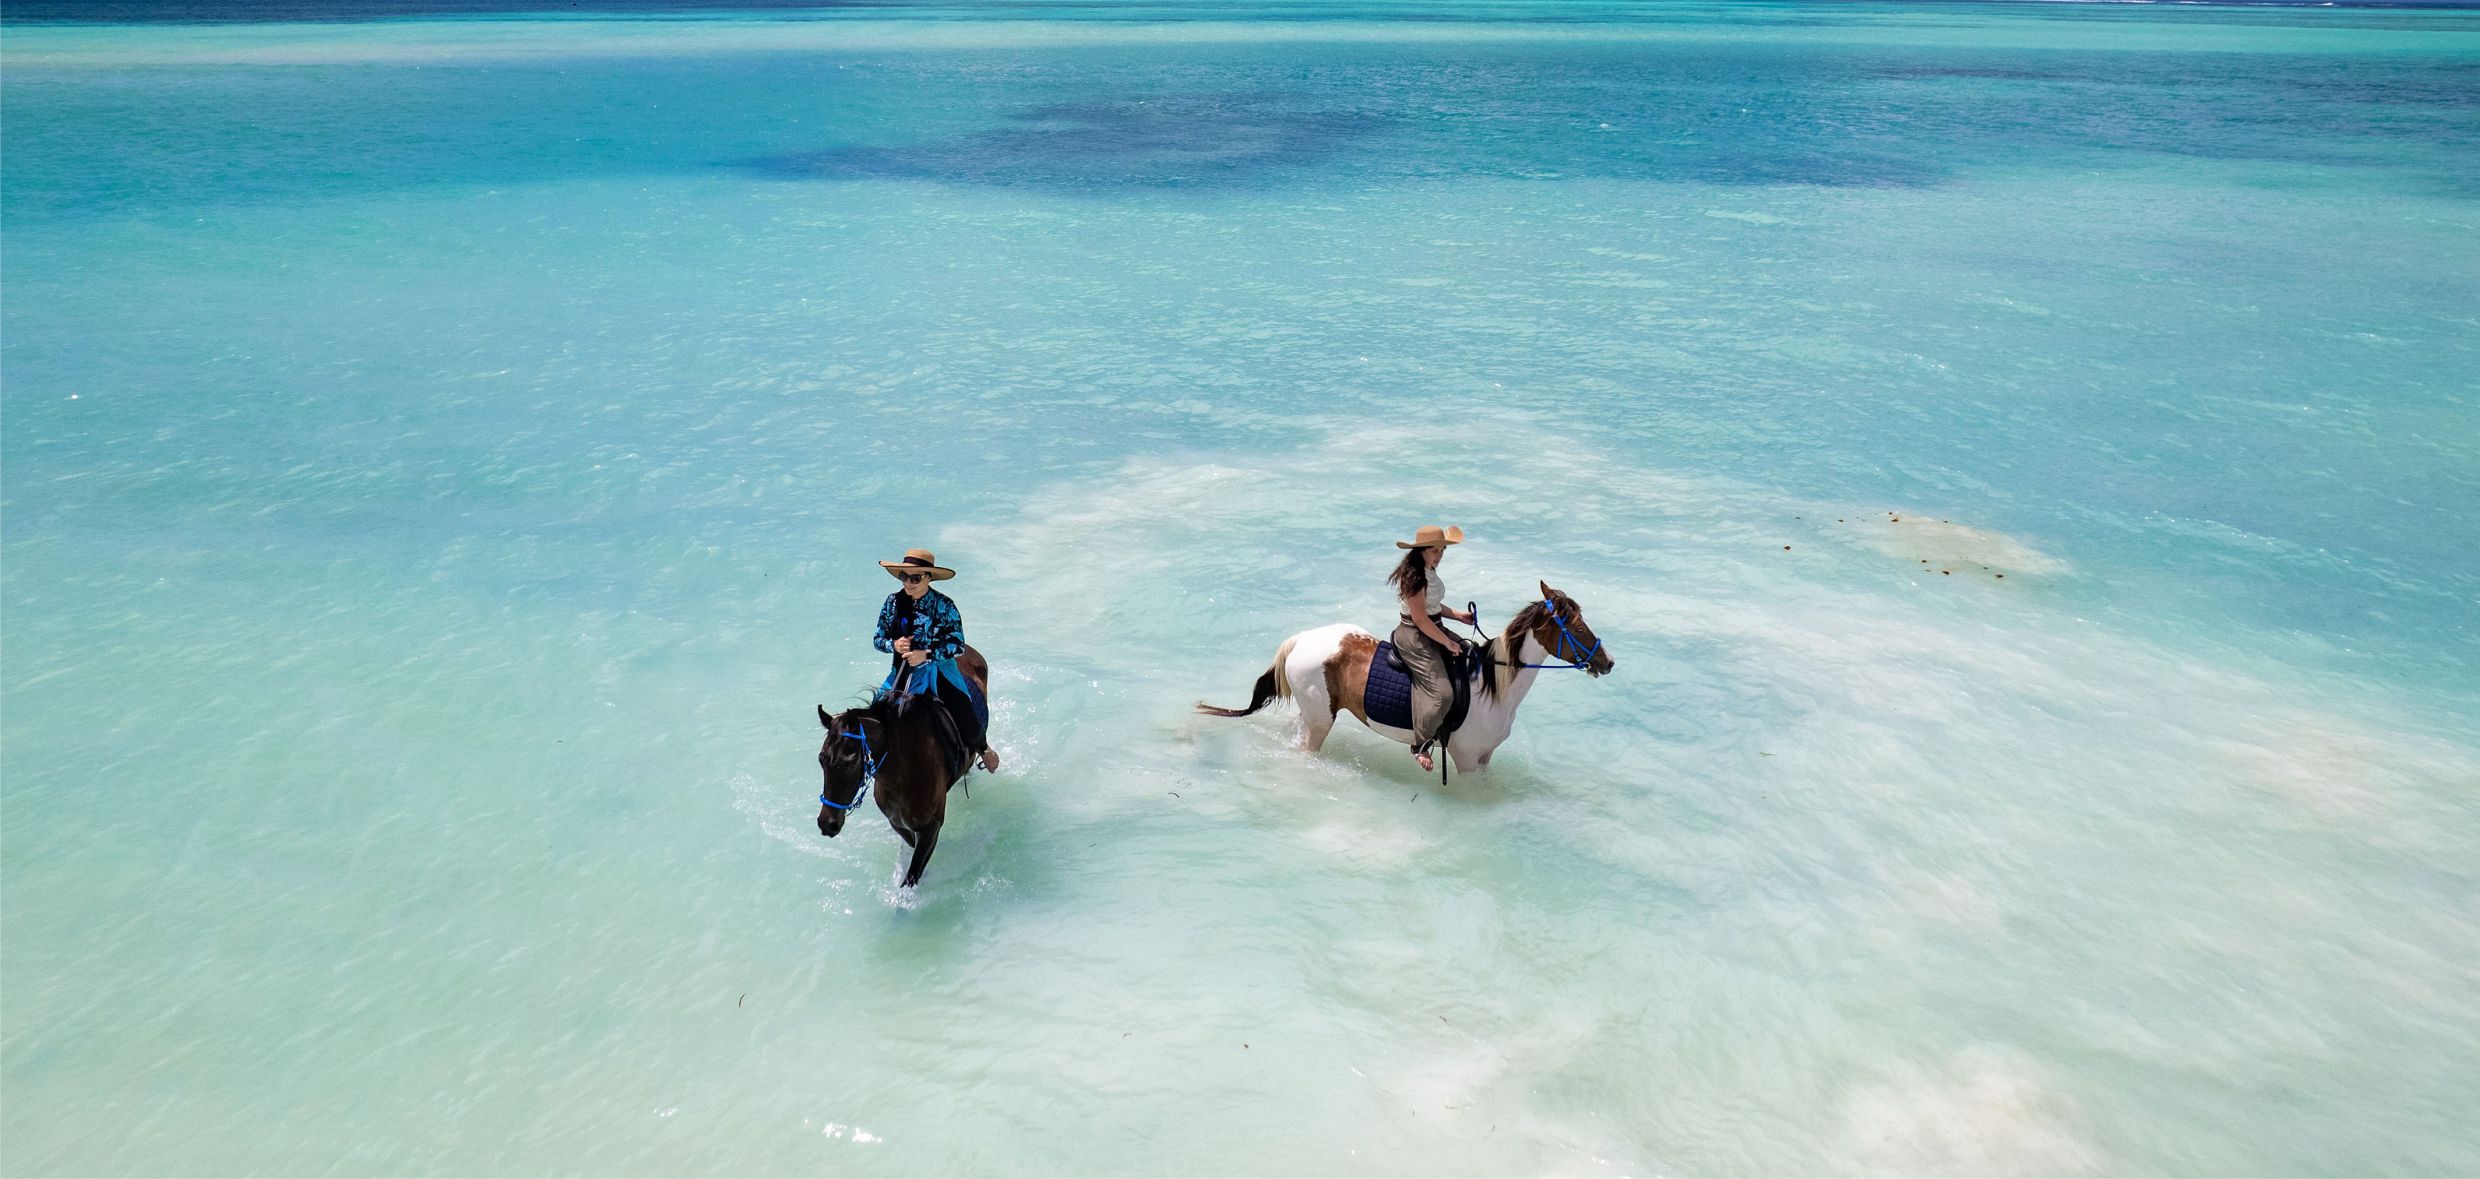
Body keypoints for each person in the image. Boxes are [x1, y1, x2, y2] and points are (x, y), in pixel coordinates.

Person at [873, 548, 999, 773]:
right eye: (904, 576)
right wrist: (893, 645)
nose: (908, 583)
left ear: (929, 577)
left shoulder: (945, 606)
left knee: (962, 708)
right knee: (873, 714)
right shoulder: (892, 602)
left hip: (939, 671)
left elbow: (957, 645)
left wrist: (926, 654)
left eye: (915, 578)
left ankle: (984, 749)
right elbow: (877, 639)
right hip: (901, 671)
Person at [1388, 525, 1477, 773]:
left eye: (1442, 550)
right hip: (1414, 635)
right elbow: (1420, 619)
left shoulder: (1429, 570)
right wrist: (1447, 642)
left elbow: (1433, 605)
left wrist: (1457, 615)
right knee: (1442, 694)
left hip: (1433, 625)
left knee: (1473, 654)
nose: (1439, 555)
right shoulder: (1414, 577)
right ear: (1421, 551)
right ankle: (1420, 744)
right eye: (1434, 550)